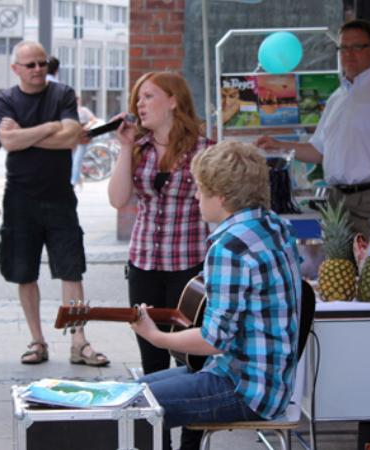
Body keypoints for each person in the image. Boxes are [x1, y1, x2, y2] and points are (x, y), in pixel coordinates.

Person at [131, 141, 302, 450]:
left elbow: (213, 341)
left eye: (200, 189)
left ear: (221, 197)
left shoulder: (229, 247)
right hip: (268, 383)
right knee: (132, 392)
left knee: (131, 408)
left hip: (244, 390)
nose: (196, 196)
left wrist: (156, 337)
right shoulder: (274, 225)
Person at [108, 71, 211, 450]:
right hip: (144, 265)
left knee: (192, 361)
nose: (139, 104)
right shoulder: (139, 148)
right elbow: (119, 200)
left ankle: (190, 445)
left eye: (148, 96)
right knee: (152, 361)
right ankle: (158, 443)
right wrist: (123, 148)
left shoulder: (203, 148)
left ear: (173, 100)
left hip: (189, 268)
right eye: (138, 97)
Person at [256, 19, 370, 239]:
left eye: (358, 47)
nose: (349, 54)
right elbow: (319, 151)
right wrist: (279, 146)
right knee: (339, 271)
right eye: (344, 48)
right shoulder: (338, 97)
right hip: (336, 201)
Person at [0, 41, 109, 366]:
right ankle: (37, 341)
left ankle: (79, 341)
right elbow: (8, 141)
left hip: (60, 195)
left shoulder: (62, 93)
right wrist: (50, 129)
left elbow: (72, 134)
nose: (37, 69)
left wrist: (28, 135)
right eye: (29, 65)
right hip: (19, 198)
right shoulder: (5, 99)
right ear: (16, 68)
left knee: (71, 269)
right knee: (24, 272)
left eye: (42, 63)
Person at [70, 95, 98, 187]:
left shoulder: (84, 110)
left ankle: (73, 182)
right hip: (72, 138)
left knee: (77, 160)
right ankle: (77, 178)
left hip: (82, 137)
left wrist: (88, 126)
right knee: (72, 160)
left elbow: (94, 120)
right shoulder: (69, 111)